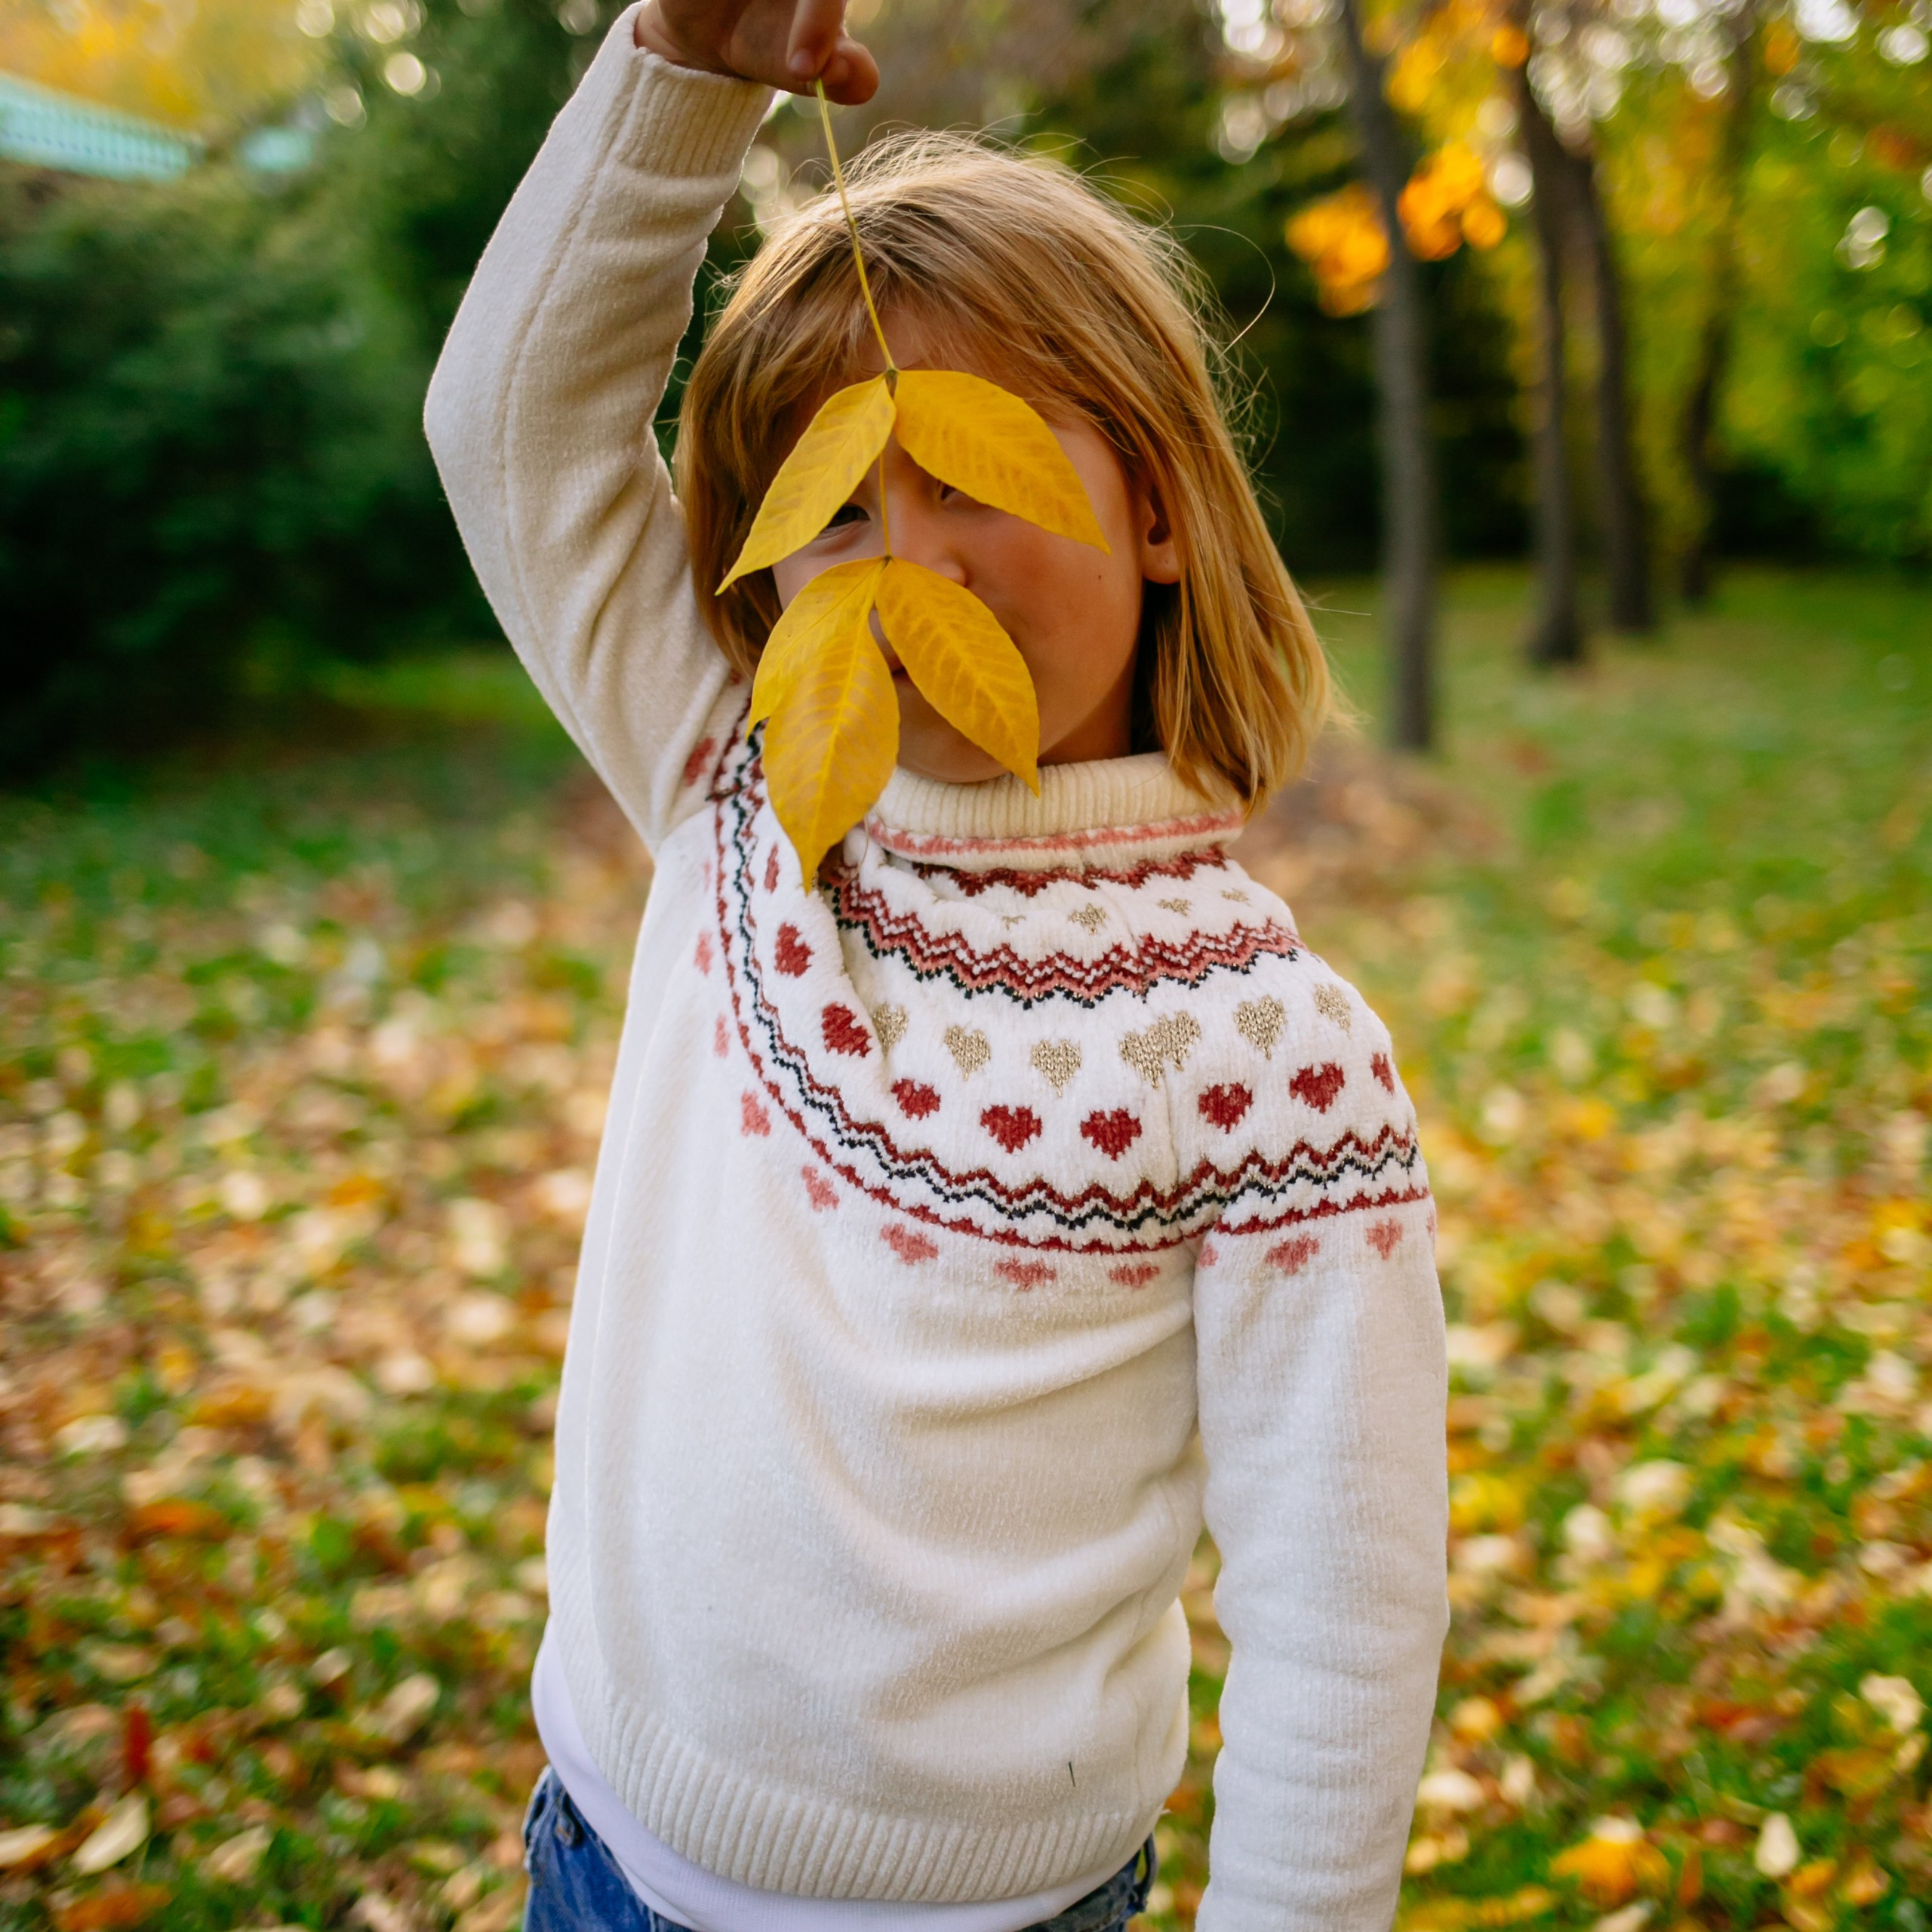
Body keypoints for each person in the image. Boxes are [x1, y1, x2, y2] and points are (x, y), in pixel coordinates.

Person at [424, 3, 1448, 1927]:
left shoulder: (1263, 1049)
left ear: (1153, 505)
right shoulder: (736, 794)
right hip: (601, 1853)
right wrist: (679, 77)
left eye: (969, 470)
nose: (914, 560)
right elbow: (510, 426)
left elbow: (1341, 1605)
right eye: (835, 500)